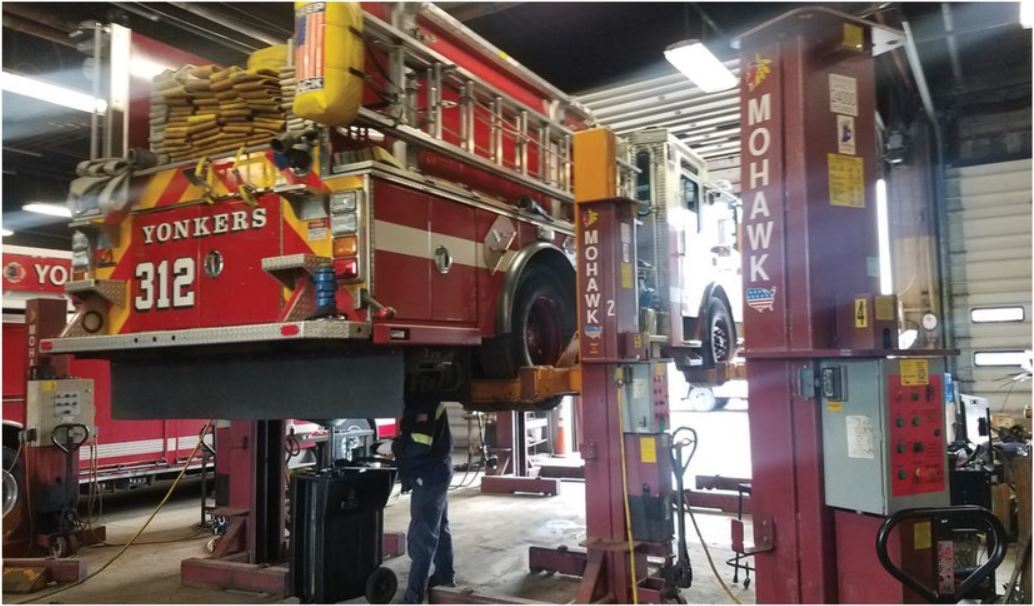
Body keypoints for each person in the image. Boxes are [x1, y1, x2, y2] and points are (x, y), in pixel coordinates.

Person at [392, 399, 455, 603]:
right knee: (440, 527)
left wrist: (395, 446)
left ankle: (414, 597)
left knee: (422, 535)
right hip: (438, 470)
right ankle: (444, 576)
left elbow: (420, 444)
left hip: (429, 476)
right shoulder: (427, 397)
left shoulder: (422, 402)